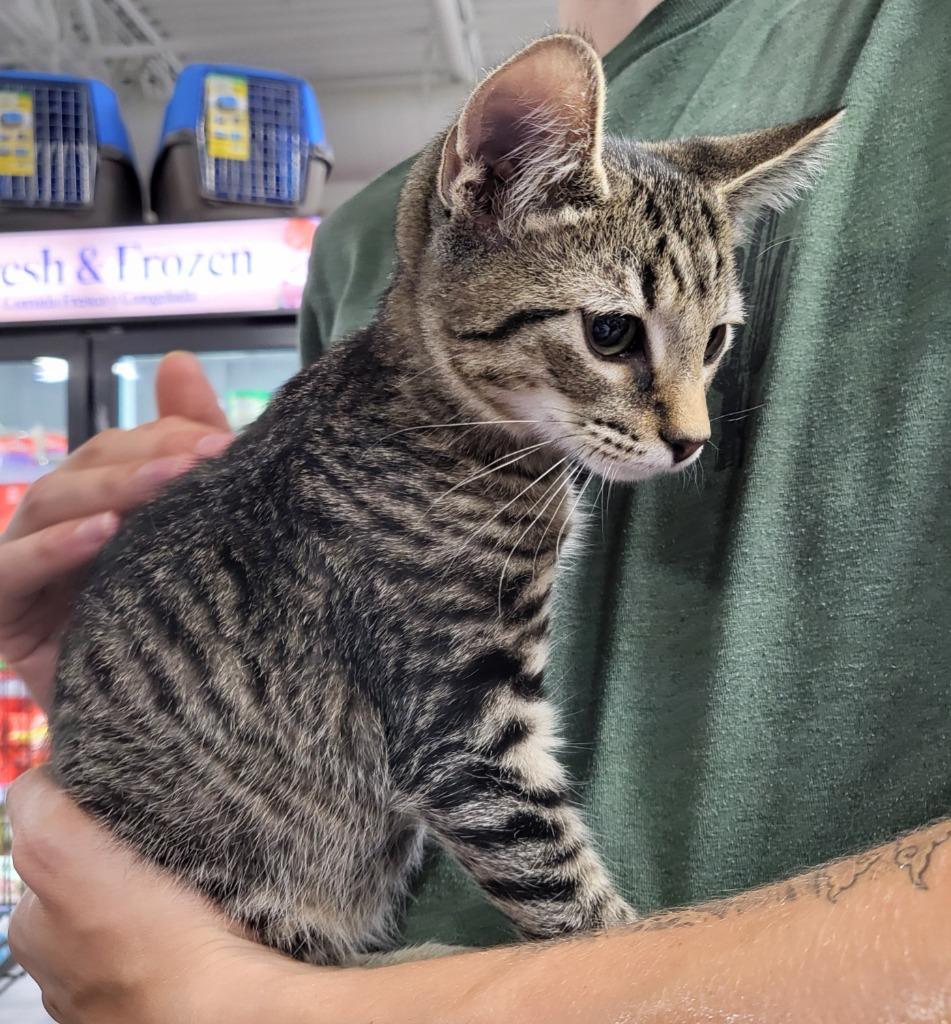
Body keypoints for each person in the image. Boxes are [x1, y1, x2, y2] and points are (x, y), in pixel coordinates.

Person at [2, 0, 950, 1019]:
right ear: (482, 196)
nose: (686, 425)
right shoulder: (364, 249)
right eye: (616, 335)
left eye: (708, 346)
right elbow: (450, 741)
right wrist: (116, 662)